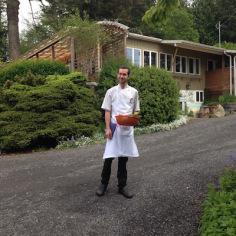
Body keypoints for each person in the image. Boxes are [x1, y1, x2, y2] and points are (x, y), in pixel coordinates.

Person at [96, 66, 140, 198]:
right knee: (108, 158)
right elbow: (107, 111)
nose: (122, 76)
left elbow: (136, 110)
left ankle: (122, 186)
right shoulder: (111, 92)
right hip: (114, 128)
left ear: (128, 76)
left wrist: (134, 119)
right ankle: (103, 184)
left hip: (126, 129)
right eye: (120, 74)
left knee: (123, 159)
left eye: (124, 74)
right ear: (117, 75)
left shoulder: (134, 92)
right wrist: (108, 128)